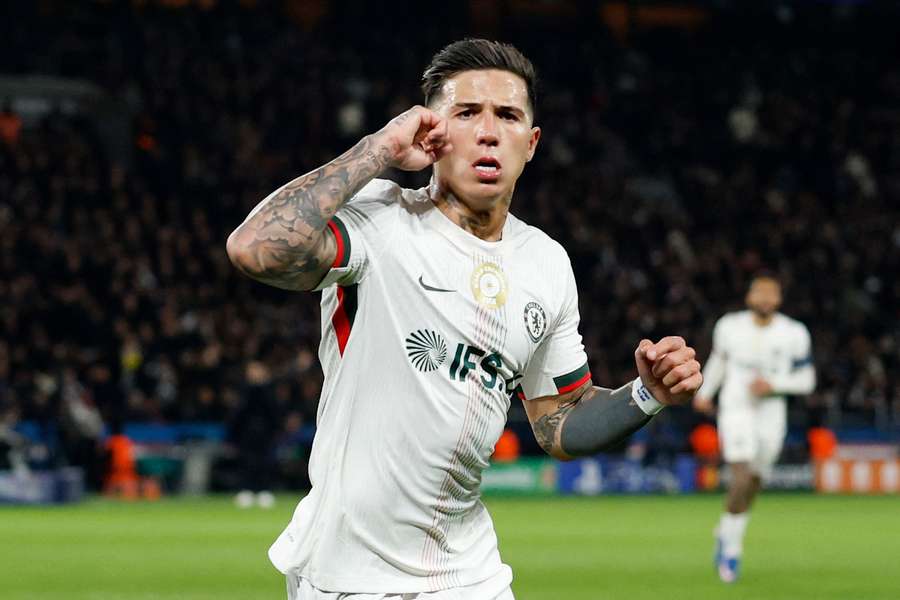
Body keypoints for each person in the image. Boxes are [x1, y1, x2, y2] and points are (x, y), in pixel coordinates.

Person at [227, 39, 703, 599]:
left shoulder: (546, 262)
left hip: (472, 575)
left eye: (508, 116)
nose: (488, 131)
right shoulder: (380, 221)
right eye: (467, 113)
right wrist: (378, 148)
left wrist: (645, 395)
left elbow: (558, 423)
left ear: (531, 143)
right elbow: (253, 249)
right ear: (431, 131)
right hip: (347, 576)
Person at [694, 274, 815, 583]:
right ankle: (732, 551)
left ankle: (727, 530)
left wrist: (774, 384)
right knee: (742, 474)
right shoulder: (729, 326)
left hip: (771, 413)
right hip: (736, 407)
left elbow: (807, 380)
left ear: (778, 299)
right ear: (749, 297)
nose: (764, 298)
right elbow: (719, 361)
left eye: (770, 293)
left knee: (756, 479)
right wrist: (705, 392)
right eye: (759, 292)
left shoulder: (794, 332)